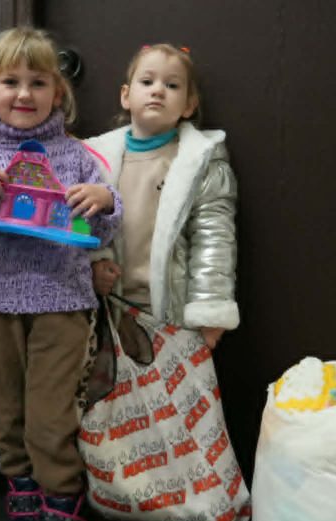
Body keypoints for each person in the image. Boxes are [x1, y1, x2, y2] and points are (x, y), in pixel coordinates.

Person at [0, 27, 122, 521]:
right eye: (10, 81)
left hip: (61, 302)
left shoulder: (76, 156)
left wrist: (104, 202)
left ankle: (62, 500)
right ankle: (21, 492)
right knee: (5, 413)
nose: (23, 94)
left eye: (38, 82)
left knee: (50, 418)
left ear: (58, 93)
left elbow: (104, 231)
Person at [87, 43, 239, 374]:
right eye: (147, 82)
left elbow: (214, 236)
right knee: (115, 411)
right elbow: (79, 224)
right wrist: (93, 266)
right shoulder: (94, 158)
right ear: (126, 96)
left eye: (172, 85)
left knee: (170, 414)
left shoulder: (199, 161)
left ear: (188, 105)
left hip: (170, 309)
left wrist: (210, 311)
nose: (158, 90)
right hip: (109, 306)